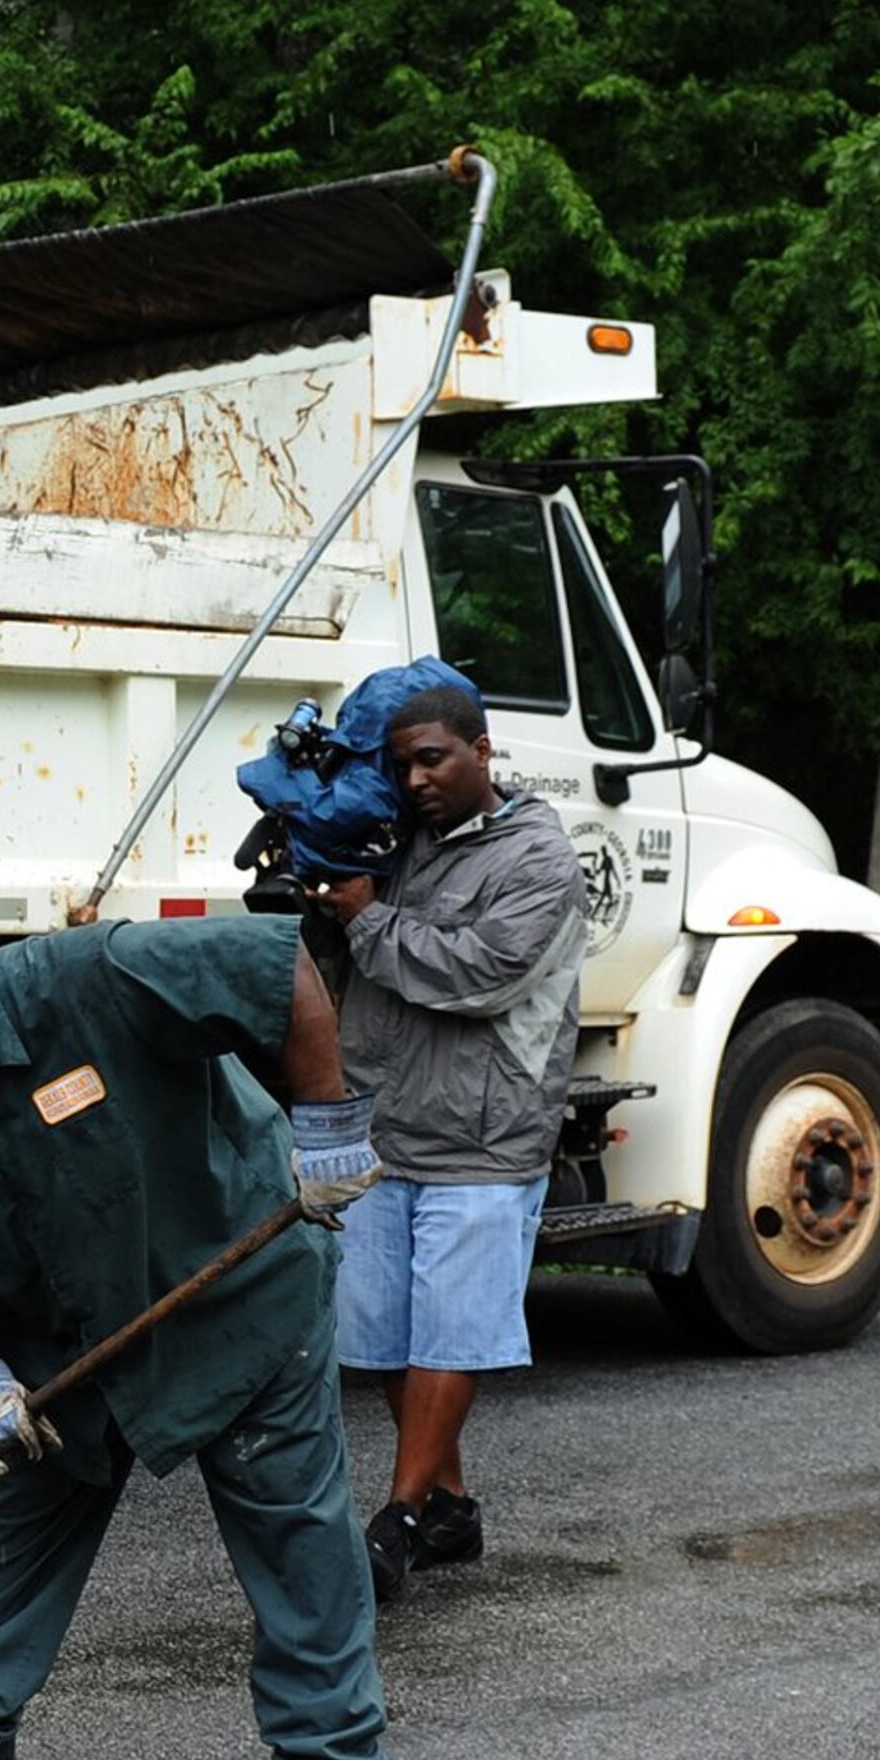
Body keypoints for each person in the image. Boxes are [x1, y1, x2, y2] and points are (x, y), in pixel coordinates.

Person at [0, 925, 390, 1760]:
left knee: (289, 1525)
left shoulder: (87, 976)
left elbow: (277, 968)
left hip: (232, 1295)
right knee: (16, 1514)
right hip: (64, 1339)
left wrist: (328, 1129)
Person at [304, 672, 587, 1602]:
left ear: (482, 751)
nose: (417, 780)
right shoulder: (396, 845)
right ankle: (451, 1504)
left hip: (487, 1133)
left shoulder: (540, 859)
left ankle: (395, 1522)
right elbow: (345, 961)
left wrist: (366, 916)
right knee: (384, 1334)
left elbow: (482, 974)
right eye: (401, 766)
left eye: (434, 759)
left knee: (451, 1336)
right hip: (388, 1123)